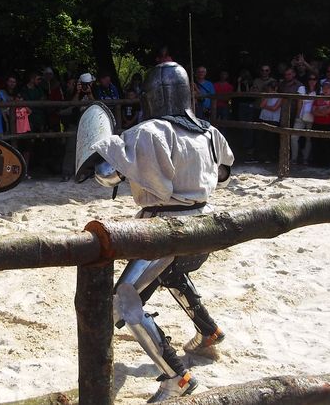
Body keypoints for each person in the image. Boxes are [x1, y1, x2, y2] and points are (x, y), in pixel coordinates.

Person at [78, 62, 234, 402]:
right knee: (171, 273)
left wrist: (104, 148)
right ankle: (209, 331)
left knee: (121, 301)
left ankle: (176, 377)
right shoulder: (209, 131)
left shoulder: (148, 132)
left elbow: (106, 175)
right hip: (204, 227)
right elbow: (223, 175)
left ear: (150, 96)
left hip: (163, 231)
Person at [311, 81, 330, 167]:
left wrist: (320, 111)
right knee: (316, 143)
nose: (326, 90)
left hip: (328, 124)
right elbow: (313, 111)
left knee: (327, 145)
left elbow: (329, 111)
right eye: (324, 88)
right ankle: (316, 162)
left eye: (328, 88)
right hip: (317, 123)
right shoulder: (319, 97)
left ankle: (325, 163)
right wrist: (323, 112)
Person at [291, 75, 317, 164]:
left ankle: (305, 158)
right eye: (310, 79)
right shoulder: (302, 88)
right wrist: (297, 116)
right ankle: (294, 158)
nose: (312, 81)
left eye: (314, 79)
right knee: (294, 137)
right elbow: (299, 103)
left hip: (313, 117)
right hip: (301, 116)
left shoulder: (319, 90)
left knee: (309, 138)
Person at [257, 81, 281, 163]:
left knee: (271, 139)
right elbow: (261, 105)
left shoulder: (280, 96)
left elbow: (275, 108)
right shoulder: (266, 95)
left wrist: (266, 106)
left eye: (272, 88)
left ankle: (270, 157)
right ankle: (261, 156)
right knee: (261, 138)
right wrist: (268, 96)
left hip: (273, 119)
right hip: (263, 118)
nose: (271, 89)